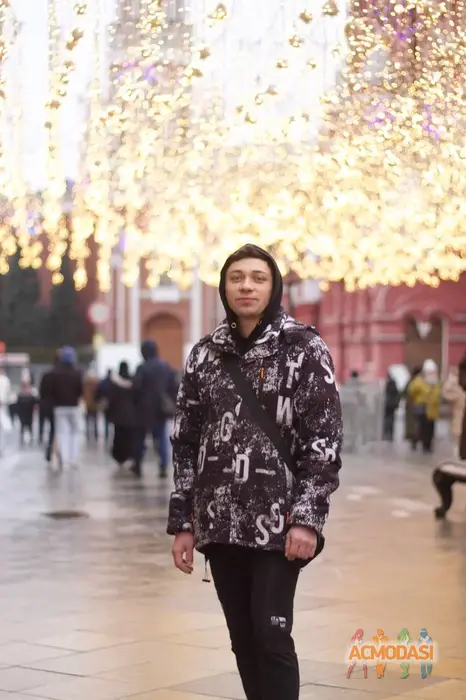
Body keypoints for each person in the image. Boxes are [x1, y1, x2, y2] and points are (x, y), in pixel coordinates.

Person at [167, 244, 343, 700]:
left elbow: (323, 442)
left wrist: (307, 518)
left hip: (278, 524)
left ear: (273, 286)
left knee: (271, 635)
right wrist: (183, 521)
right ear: (225, 287)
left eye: (258, 278)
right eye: (237, 278)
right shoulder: (204, 354)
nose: (246, 286)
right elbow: (185, 441)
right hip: (219, 523)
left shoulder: (303, 347)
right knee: (243, 639)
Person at [133, 340, 178, 478]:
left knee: (140, 438)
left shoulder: (142, 368)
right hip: (160, 409)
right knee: (161, 438)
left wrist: (137, 403)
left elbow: (136, 388)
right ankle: (163, 464)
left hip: (143, 410)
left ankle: (138, 464)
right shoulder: (165, 367)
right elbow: (174, 386)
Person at [432, 357, 466, 519]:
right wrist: (453, 377)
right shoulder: (459, 391)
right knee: (457, 462)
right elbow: (446, 392)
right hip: (460, 431)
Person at [49, 346, 83, 469]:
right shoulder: (77, 373)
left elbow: (52, 391)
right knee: (74, 432)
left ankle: (65, 460)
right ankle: (73, 458)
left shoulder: (55, 373)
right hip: (73, 406)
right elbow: (80, 390)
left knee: (61, 433)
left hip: (59, 407)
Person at [406, 360, 441, 453]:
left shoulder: (436, 382)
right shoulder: (418, 381)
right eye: (429, 372)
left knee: (430, 428)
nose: (431, 374)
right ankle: (418, 441)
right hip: (421, 408)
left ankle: (428, 444)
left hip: (432, 409)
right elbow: (411, 391)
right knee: (421, 427)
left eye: (433, 372)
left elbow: (438, 393)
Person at [107, 361, 136, 468]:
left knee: (118, 437)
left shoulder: (115, 383)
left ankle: (119, 458)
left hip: (118, 415)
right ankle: (128, 456)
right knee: (128, 437)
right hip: (131, 415)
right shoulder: (133, 381)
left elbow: (111, 399)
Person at [39, 351, 60, 463]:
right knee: (59, 430)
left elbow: (41, 392)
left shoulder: (47, 375)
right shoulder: (61, 376)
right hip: (59, 406)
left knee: (52, 429)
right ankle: (59, 452)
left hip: (47, 406)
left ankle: (49, 449)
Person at [16, 380, 38, 446]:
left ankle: (30, 439)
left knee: (29, 426)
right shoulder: (20, 395)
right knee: (23, 427)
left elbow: (35, 404)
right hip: (23, 413)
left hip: (29, 413)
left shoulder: (31, 396)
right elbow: (18, 405)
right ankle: (22, 440)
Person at [404, 366, 422, 447]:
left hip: (411, 405)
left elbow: (404, 392)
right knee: (415, 423)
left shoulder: (410, 381)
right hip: (415, 405)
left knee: (413, 423)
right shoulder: (418, 382)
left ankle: (413, 438)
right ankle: (414, 438)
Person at [83, 364, 100, 442]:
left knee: (88, 422)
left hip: (88, 405)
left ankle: (88, 435)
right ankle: (95, 435)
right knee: (95, 422)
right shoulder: (96, 385)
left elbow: (84, 395)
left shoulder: (86, 385)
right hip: (94, 406)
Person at [383, 371, 400, 441]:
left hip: (388, 404)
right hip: (392, 405)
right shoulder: (394, 385)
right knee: (391, 419)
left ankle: (387, 432)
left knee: (387, 419)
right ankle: (390, 433)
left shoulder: (387, 385)